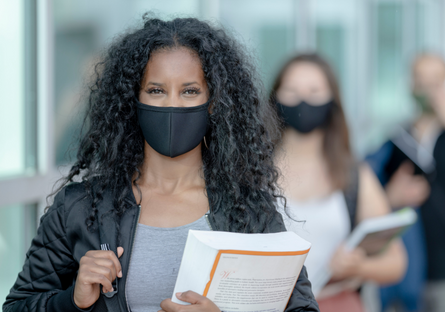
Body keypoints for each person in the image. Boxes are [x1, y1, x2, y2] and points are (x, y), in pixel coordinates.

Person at [2, 16, 319, 312]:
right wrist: (72, 300)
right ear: (134, 100)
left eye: (190, 91)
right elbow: (18, 305)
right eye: (156, 91)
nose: (172, 104)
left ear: (213, 104)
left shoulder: (249, 210)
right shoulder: (81, 207)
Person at [271, 54, 407, 311]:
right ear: (274, 97)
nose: (303, 99)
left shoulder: (354, 174)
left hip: (337, 303)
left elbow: (396, 262)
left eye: (314, 90)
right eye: (291, 90)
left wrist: (359, 267)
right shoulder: (251, 172)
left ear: (333, 100)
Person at [367, 53, 445, 312]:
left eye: (437, 80)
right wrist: (390, 197)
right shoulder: (395, 143)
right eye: (421, 80)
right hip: (407, 274)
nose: (428, 89)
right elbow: (367, 198)